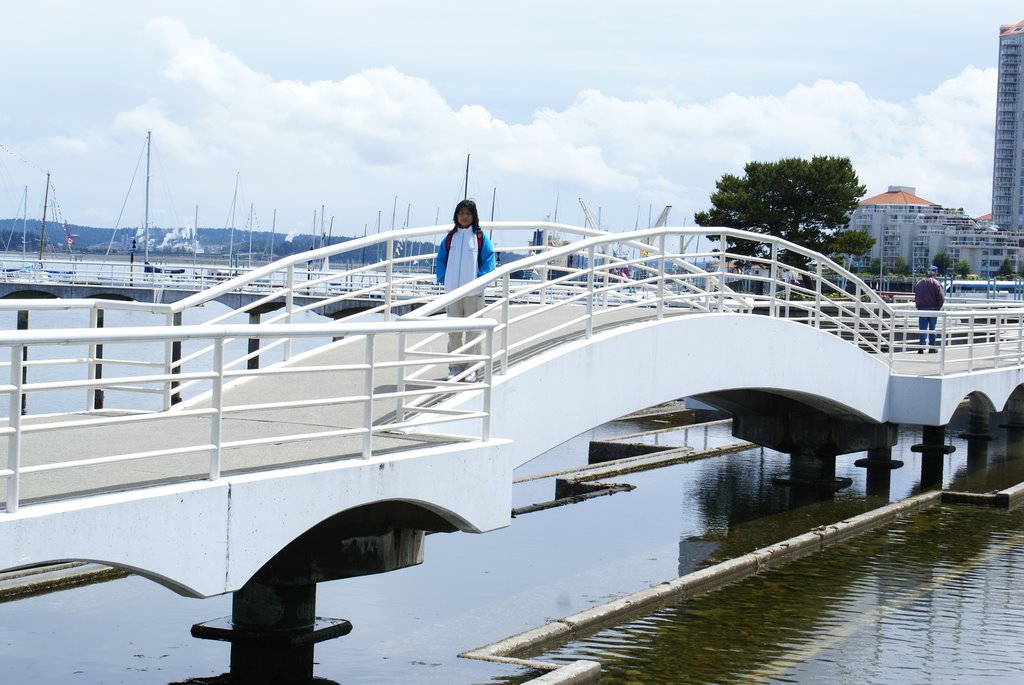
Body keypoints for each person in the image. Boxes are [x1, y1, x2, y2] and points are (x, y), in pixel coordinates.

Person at [436, 199, 496, 380]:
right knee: (454, 332)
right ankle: (455, 366)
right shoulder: (450, 238)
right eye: (461, 213)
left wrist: (480, 280)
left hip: (473, 292)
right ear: (456, 215)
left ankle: (472, 367)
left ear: (474, 216)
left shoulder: (479, 237)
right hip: (453, 292)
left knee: (473, 331)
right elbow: (440, 260)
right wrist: (443, 278)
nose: (464, 216)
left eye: (468, 214)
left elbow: (489, 259)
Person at [913, 265, 945, 354]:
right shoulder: (937, 283)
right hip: (933, 309)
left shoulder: (919, 283)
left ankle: (921, 347)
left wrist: (918, 306)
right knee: (932, 328)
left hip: (922, 309)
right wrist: (938, 307)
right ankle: (932, 347)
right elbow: (941, 297)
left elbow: (917, 297)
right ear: (935, 273)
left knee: (922, 328)